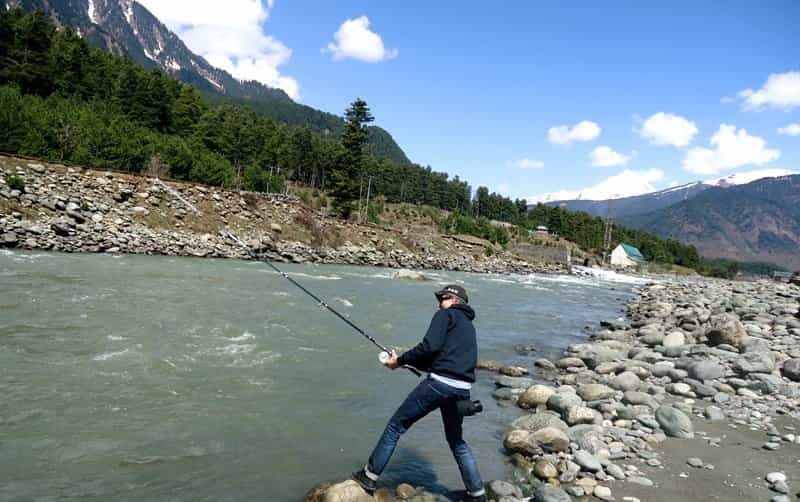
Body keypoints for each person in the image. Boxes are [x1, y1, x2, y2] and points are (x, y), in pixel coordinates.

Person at [352, 284, 486, 502]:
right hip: (462, 391)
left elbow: (429, 346)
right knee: (456, 441)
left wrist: (400, 361)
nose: (438, 303)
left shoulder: (445, 315)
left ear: (453, 299)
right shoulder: (468, 326)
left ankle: (369, 476)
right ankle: (477, 494)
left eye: (442, 298)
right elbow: (446, 358)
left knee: (396, 426)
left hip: (439, 384)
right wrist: (409, 363)